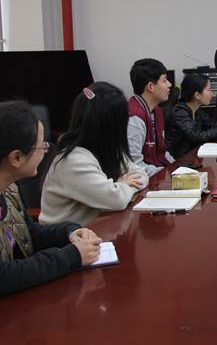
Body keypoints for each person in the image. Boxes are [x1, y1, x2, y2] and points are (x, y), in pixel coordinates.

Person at [0, 101, 102, 296]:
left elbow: (28, 233)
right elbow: (3, 276)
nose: (46, 150)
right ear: (16, 158)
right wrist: (69, 257)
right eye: (42, 146)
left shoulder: (10, 187)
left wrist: (69, 232)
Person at [40, 82, 148, 226]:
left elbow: (141, 174)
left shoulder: (106, 149)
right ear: (111, 125)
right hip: (67, 237)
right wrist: (122, 184)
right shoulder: (73, 160)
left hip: (98, 229)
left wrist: (120, 186)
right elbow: (116, 200)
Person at [166, 74, 217, 158]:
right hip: (179, 159)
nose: (212, 94)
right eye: (209, 90)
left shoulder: (196, 111)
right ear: (197, 95)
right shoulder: (180, 112)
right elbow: (196, 136)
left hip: (193, 155)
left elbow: (213, 124)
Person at [127, 58, 174, 177]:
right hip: (145, 180)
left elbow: (162, 152)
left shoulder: (157, 111)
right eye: (164, 80)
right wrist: (168, 173)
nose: (169, 84)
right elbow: (134, 165)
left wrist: (176, 167)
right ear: (151, 86)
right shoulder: (134, 118)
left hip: (158, 174)